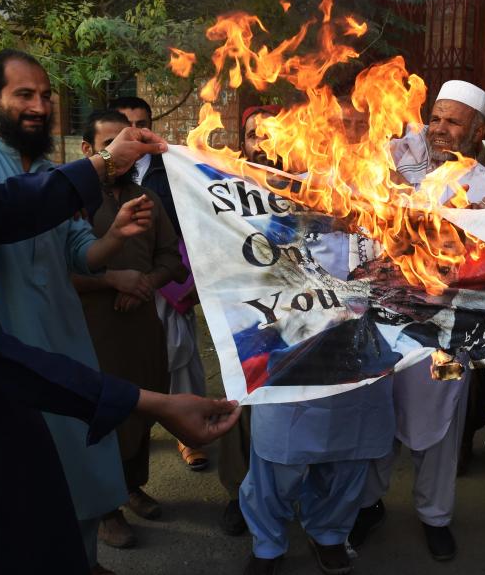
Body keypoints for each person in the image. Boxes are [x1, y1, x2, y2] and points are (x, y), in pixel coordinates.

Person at [0, 0, 240, 574]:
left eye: (45, 95)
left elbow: (16, 215)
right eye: (24, 94)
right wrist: (149, 402)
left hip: (52, 356)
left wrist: (107, 169)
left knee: (65, 489)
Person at [0, 50, 152, 573]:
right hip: (7, 346)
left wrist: (114, 236)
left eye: (45, 95)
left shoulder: (57, 175)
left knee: (80, 467)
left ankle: (82, 558)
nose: (40, 106)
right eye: (24, 95)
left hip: (66, 341)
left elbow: (81, 253)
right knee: (19, 479)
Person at [351, 80, 485, 562]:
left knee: (443, 418)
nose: (439, 129)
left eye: (453, 121)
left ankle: (435, 516)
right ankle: (366, 504)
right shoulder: (393, 156)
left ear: (477, 130)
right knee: (375, 414)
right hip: (379, 321)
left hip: (447, 334)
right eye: (435, 118)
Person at [239, 100, 396, 575]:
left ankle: (330, 533)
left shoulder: (383, 191)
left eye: (357, 127)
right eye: (338, 126)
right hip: (292, 351)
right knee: (279, 458)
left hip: (362, 353)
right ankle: (267, 543)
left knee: (350, 455)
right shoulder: (280, 192)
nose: (346, 136)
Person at [72, 110, 188, 548]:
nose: (118, 159)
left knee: (141, 408)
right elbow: (56, 272)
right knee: (99, 415)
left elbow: (171, 260)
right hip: (91, 328)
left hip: (140, 322)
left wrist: (144, 284)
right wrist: (110, 281)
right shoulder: (72, 204)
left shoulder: (146, 199)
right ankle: (105, 509)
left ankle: (132, 485)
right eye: (108, 147)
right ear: (88, 150)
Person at [110, 96, 210, 472]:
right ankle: (137, 432)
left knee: (180, 354)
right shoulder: (103, 172)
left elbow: (198, 221)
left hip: (170, 275)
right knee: (133, 359)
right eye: (127, 123)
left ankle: (192, 434)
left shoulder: (174, 169)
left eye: (142, 123)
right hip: (123, 279)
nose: (135, 130)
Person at [215, 105, 282, 539]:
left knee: (287, 404)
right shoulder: (224, 185)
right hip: (242, 309)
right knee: (241, 402)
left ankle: (286, 497)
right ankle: (240, 495)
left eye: (273, 135)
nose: (264, 144)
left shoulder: (305, 186)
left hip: (295, 312)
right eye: (256, 135)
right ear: (244, 141)